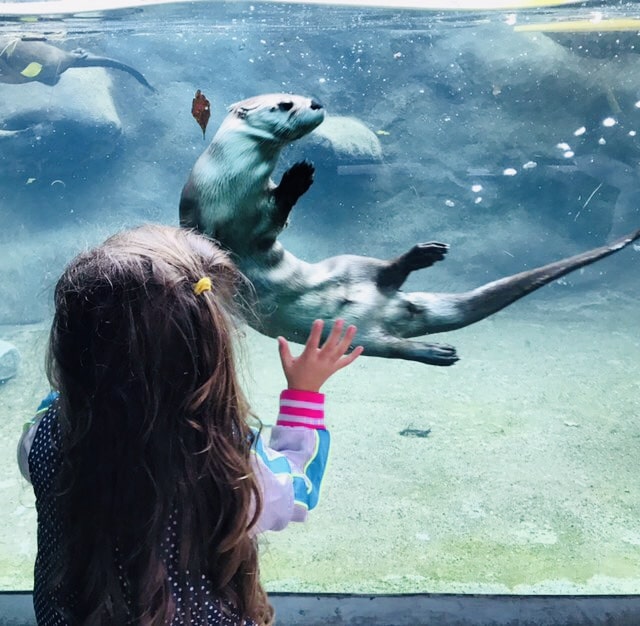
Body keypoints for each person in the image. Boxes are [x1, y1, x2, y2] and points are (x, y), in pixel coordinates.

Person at [17, 223, 363, 626]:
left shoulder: (43, 438)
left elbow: (56, 418)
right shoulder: (227, 462)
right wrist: (303, 394)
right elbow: (298, 490)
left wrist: (86, 384)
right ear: (210, 351)